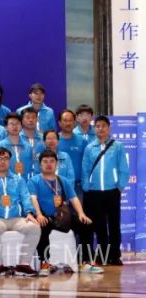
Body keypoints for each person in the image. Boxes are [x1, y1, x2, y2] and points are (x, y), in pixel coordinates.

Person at [28, 150, 100, 275]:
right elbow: (33, 198)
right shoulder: (34, 181)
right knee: (42, 226)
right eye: (45, 161)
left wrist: (81, 214)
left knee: (86, 225)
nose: (49, 164)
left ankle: (84, 262)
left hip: (62, 216)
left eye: (52, 161)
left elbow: (74, 198)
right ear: (40, 165)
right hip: (45, 216)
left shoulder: (63, 180)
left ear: (57, 164)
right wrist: (38, 214)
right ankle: (45, 262)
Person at [0, 147, 40, 277]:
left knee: (34, 227)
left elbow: (25, 197)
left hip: (16, 218)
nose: (2, 161)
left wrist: (29, 213)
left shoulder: (18, 180)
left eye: (5, 158)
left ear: (10, 161)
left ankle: (23, 264)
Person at [80, 116, 129, 266]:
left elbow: (123, 168)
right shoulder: (90, 147)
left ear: (109, 128)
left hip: (112, 191)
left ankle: (115, 255)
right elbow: (85, 169)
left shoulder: (117, 146)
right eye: (97, 126)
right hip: (94, 192)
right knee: (99, 226)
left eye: (103, 126)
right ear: (94, 129)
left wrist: (119, 187)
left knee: (114, 224)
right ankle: (103, 255)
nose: (100, 129)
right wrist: (86, 187)